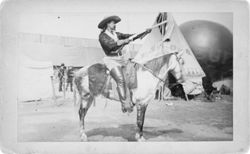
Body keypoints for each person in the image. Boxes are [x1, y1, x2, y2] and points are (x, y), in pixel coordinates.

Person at [98, 15, 134, 112]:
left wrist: (142, 33)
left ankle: (129, 99)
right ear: (108, 24)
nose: (114, 24)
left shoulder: (116, 34)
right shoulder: (102, 36)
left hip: (121, 58)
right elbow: (111, 46)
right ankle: (124, 104)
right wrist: (123, 42)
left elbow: (128, 36)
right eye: (113, 23)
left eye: (114, 23)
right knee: (121, 80)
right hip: (111, 59)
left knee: (130, 77)